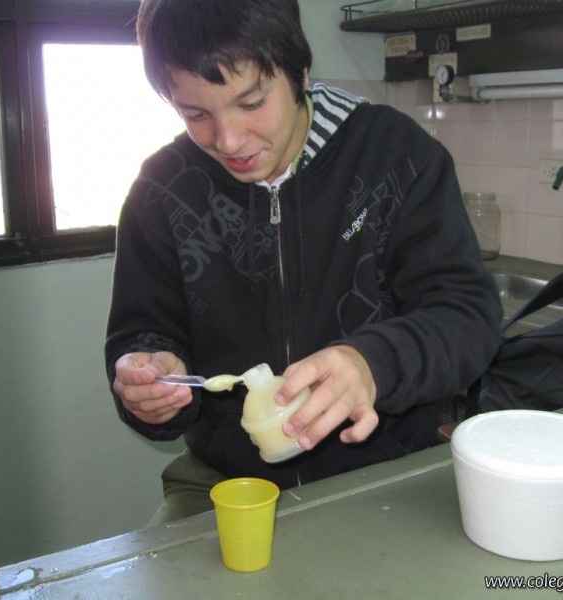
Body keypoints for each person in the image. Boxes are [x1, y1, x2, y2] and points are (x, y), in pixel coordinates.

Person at [105, 0, 503, 522]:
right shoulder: (162, 191)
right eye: (196, 114)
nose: (228, 140)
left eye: (251, 102)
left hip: (388, 471)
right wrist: (149, 385)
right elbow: (142, 335)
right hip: (226, 482)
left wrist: (371, 364)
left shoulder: (395, 155)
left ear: (300, 71)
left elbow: (468, 317)